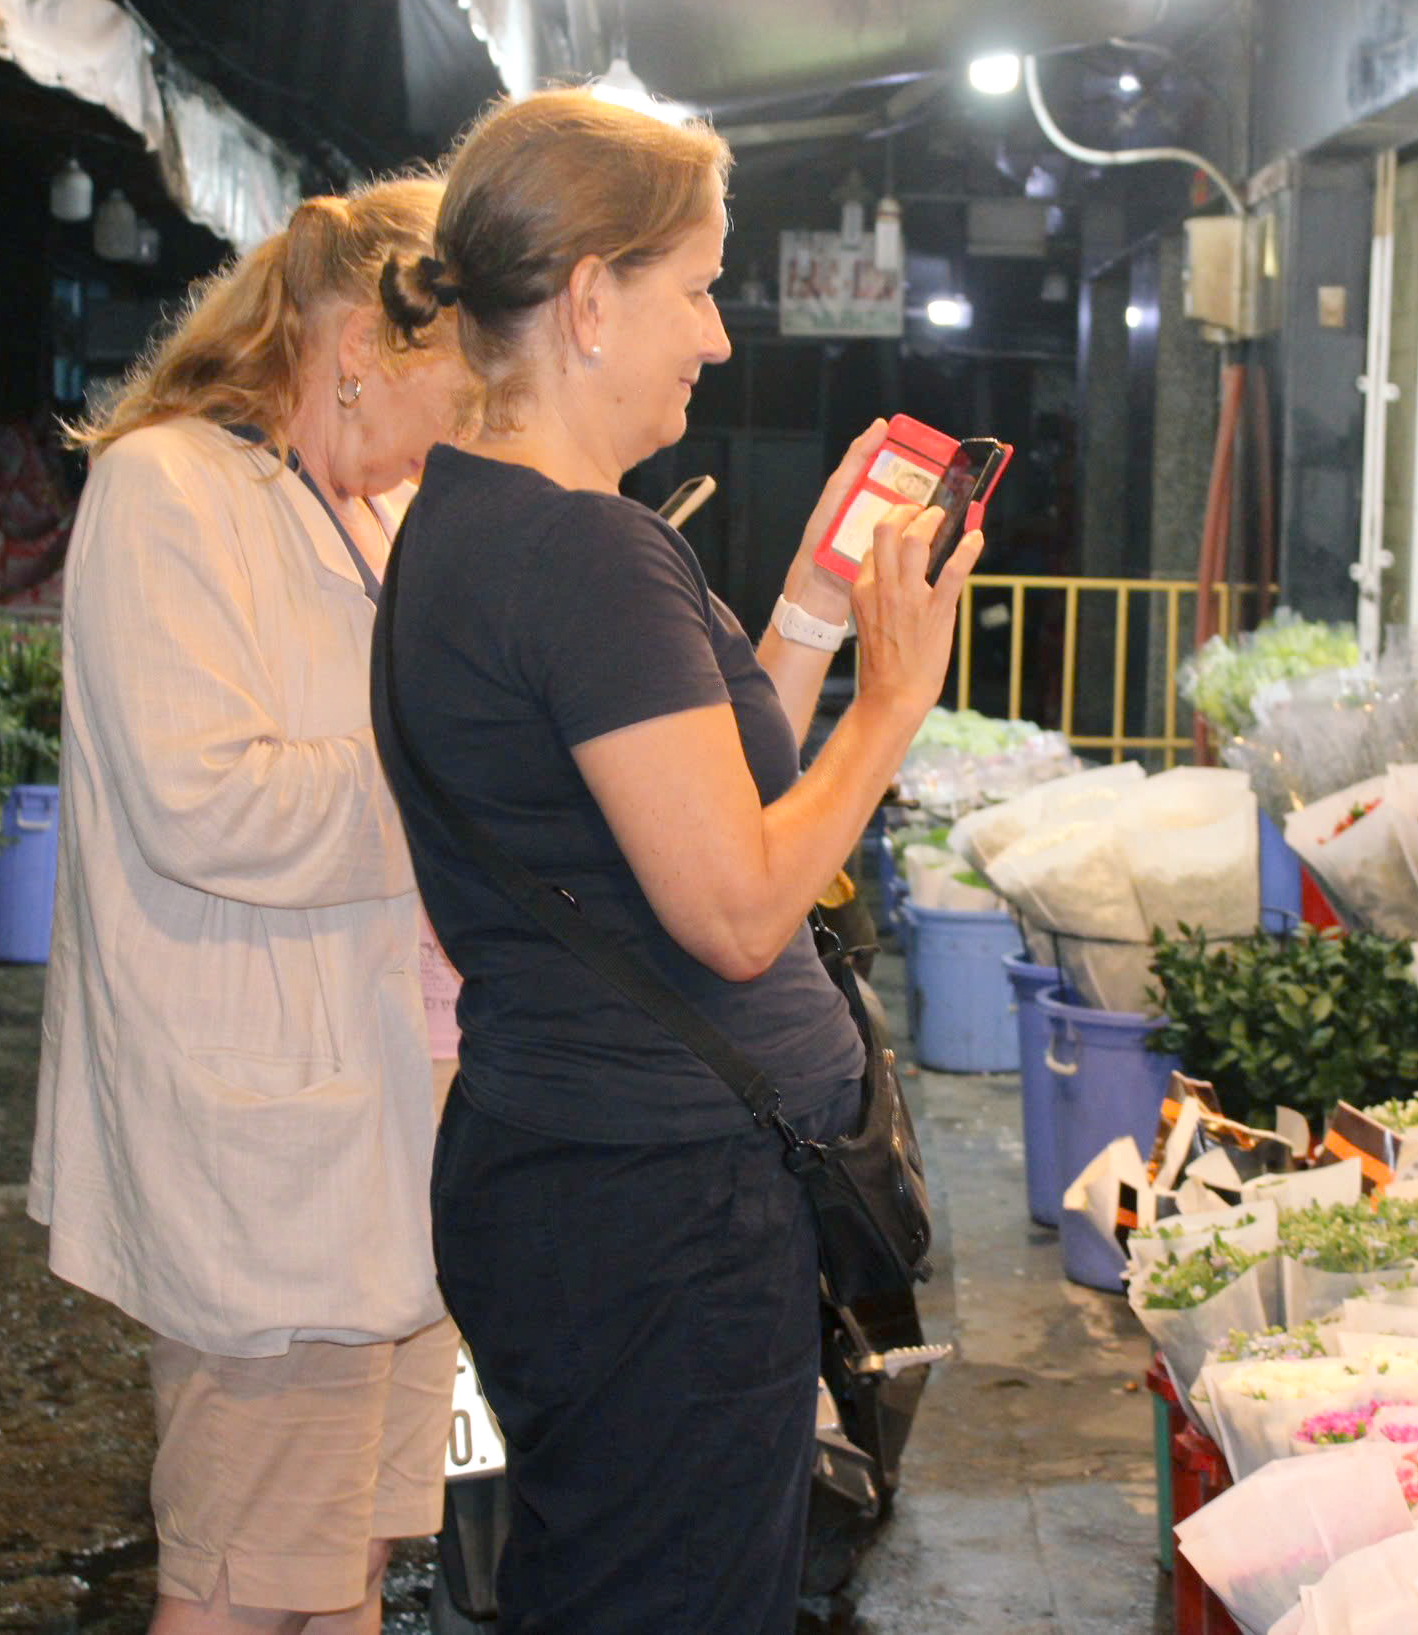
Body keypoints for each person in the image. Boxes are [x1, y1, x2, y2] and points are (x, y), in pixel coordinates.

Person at [371, 89, 980, 1633]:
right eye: (699, 287)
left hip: (575, 1179)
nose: (717, 336)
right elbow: (732, 905)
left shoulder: (476, 515)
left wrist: (814, 615)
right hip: (658, 1217)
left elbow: (687, 811)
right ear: (590, 298)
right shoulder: (583, 552)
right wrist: (897, 702)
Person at [31, 175, 480, 1635]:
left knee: (345, 1561)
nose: (467, 422)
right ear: (366, 347)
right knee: (234, 1589)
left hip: (400, 1114)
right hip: (271, 1146)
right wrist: (455, 767)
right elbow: (205, 800)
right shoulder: (168, 487)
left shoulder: (375, 502)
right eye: (460, 379)